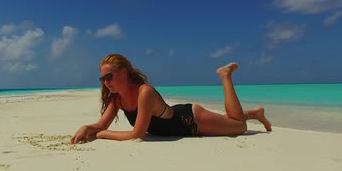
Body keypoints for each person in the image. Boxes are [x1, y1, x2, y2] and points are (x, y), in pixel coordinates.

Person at [70, 53, 272, 143]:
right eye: (102, 78)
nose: (106, 82)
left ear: (124, 72)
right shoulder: (117, 99)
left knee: (238, 126)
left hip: (190, 121)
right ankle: (254, 113)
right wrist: (88, 128)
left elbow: (137, 135)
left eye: (109, 76)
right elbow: (101, 125)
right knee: (233, 121)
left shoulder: (144, 93)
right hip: (177, 121)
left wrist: (104, 135)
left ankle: (225, 75)